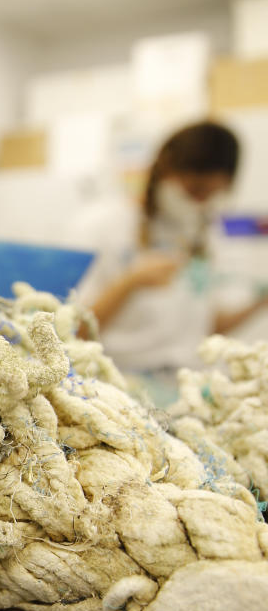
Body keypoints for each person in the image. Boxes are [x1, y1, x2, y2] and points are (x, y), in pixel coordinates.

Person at [77, 120, 267, 401]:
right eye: (195, 191)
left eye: (213, 194)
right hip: (116, 384)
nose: (201, 203)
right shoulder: (104, 225)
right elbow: (74, 329)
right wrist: (130, 283)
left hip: (186, 385)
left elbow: (208, 326)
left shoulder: (206, 233)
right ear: (166, 171)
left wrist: (261, 300)